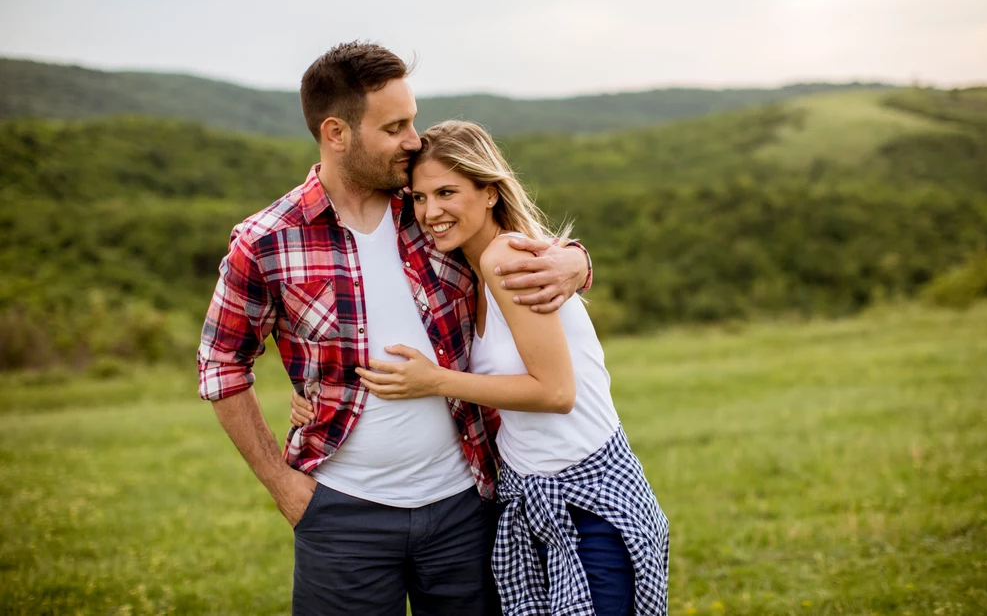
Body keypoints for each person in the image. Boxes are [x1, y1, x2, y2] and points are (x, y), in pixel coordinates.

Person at [196, 42, 593, 616]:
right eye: (396, 126)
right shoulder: (266, 242)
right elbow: (221, 366)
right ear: (337, 133)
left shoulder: (430, 207)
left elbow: (517, 234)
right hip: (341, 514)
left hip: (468, 505)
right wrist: (285, 487)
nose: (414, 139)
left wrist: (575, 260)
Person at [291, 120, 670, 615]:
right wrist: (317, 395)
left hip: (586, 496)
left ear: (490, 191)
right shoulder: (466, 273)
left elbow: (557, 392)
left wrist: (434, 381)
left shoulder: (505, 258)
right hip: (527, 493)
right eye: (420, 197)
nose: (431, 212)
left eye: (447, 192)